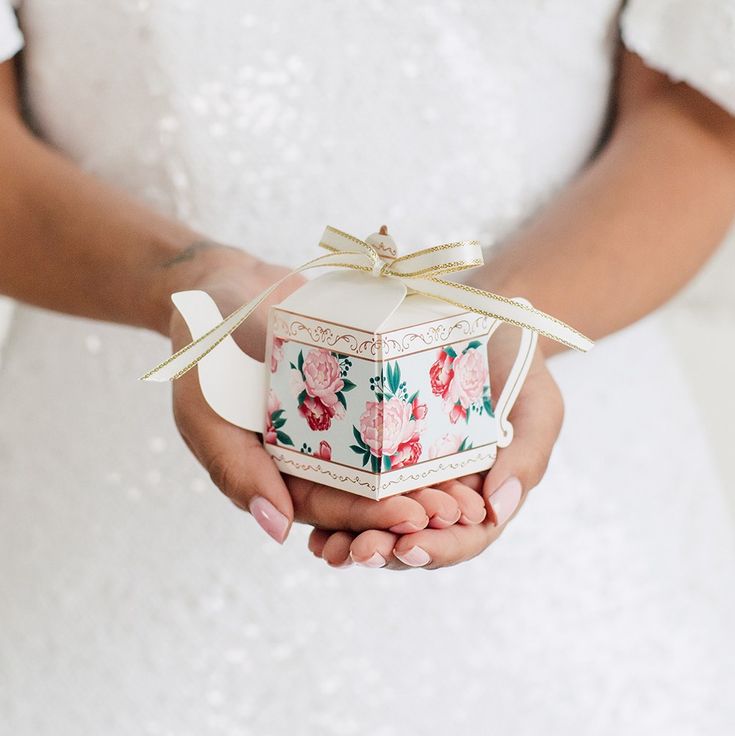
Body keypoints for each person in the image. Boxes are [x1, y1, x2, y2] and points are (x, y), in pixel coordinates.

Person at [1, 1, 734, 733]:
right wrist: (188, 280)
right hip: (99, 495)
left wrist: (508, 322)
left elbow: (699, 111)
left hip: (585, 531)